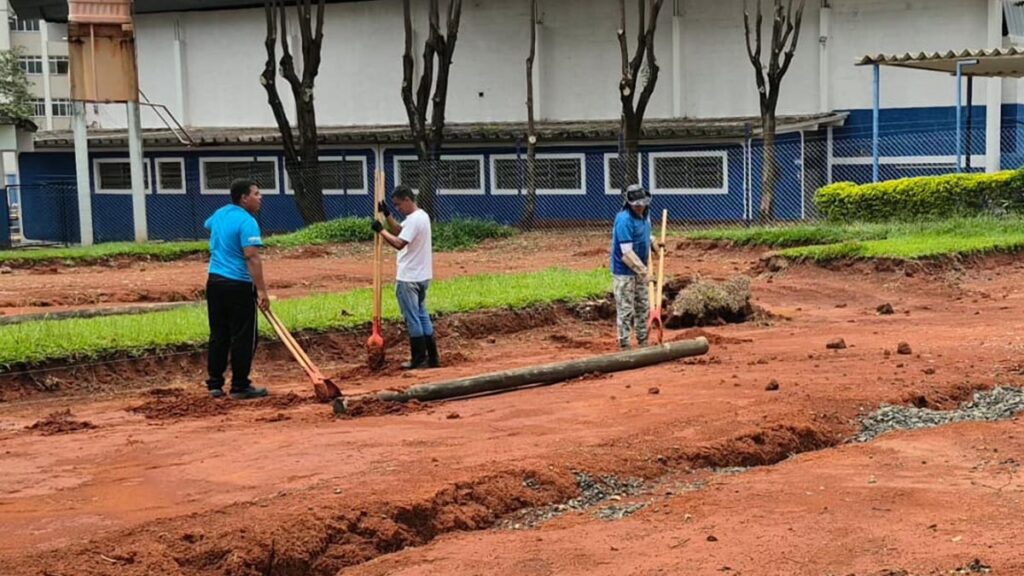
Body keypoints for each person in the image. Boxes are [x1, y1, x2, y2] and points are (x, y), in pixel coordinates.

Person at [203, 179, 271, 400]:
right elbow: (251, 256)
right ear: (244, 198)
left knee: (219, 334)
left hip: (214, 283)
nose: (260, 198)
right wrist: (262, 291)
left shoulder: (221, 213)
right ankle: (240, 385)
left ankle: (215, 384)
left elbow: (208, 225)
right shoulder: (247, 221)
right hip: (238, 285)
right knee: (243, 336)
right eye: (256, 193)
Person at [371, 185, 440, 369]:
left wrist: (380, 231)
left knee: (412, 318)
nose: (398, 208)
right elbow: (402, 231)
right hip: (423, 276)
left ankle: (418, 359)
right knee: (422, 315)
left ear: (408, 200)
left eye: (398, 205)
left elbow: (399, 242)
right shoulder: (422, 216)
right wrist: (387, 217)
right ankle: (432, 358)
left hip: (409, 277)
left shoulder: (413, 220)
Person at [611, 184, 655, 350]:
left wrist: (653, 242)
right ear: (629, 204)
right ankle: (625, 344)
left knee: (643, 305)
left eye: (642, 204)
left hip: (640, 269)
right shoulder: (624, 220)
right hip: (625, 272)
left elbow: (644, 233)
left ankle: (643, 340)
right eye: (636, 205)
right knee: (626, 309)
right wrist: (645, 272)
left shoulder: (645, 215)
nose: (639, 207)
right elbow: (626, 253)